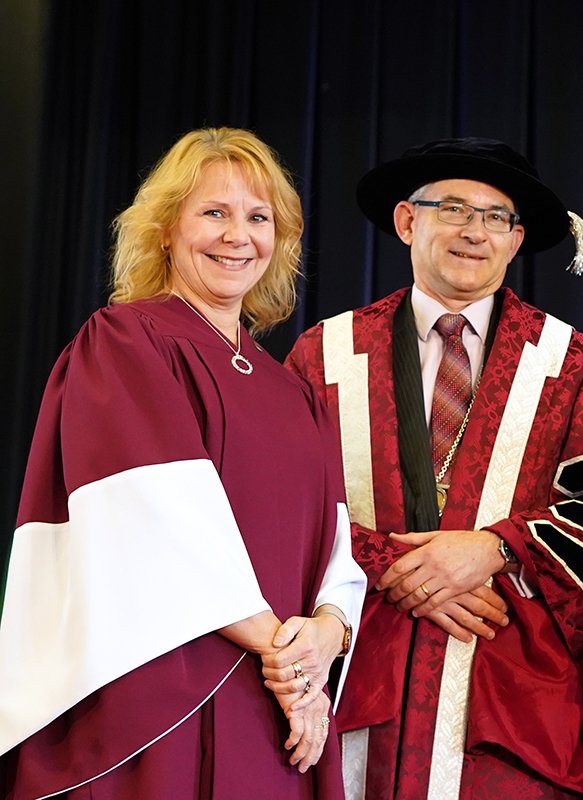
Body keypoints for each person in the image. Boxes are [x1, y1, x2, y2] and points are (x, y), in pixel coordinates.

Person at [0, 127, 366, 798]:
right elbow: (152, 518)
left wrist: (324, 636)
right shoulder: (125, 342)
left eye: (259, 218)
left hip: (277, 709)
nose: (238, 236)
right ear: (166, 229)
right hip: (167, 694)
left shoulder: (294, 390)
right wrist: (287, 657)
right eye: (214, 212)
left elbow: (335, 547)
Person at [285, 136, 583, 799]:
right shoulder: (325, 356)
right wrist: (395, 568)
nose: (473, 232)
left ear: (516, 241)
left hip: (504, 697)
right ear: (407, 220)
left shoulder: (568, 364)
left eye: (496, 217)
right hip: (359, 676)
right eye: (452, 208)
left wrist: (492, 549)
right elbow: (281, 506)